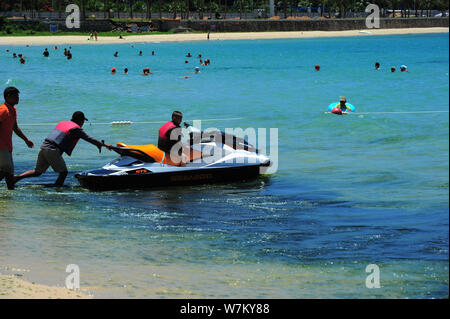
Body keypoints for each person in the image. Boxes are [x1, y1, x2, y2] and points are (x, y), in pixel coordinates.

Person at [14, 112, 112, 187]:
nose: (82, 123)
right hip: (52, 150)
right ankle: (57, 188)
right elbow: (89, 138)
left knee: (37, 172)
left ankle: (17, 177)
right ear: (80, 120)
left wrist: (99, 145)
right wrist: (104, 145)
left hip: (44, 147)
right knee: (64, 172)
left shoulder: (63, 123)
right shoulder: (76, 129)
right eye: (82, 121)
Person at [0, 87, 34, 190]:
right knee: (7, 168)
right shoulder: (3, 110)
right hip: (1, 146)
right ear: (8, 97)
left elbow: (15, 127)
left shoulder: (13, 110)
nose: (18, 98)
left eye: (18, 96)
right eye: (16, 96)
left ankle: (11, 194)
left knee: (10, 172)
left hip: (8, 145)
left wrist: (26, 140)